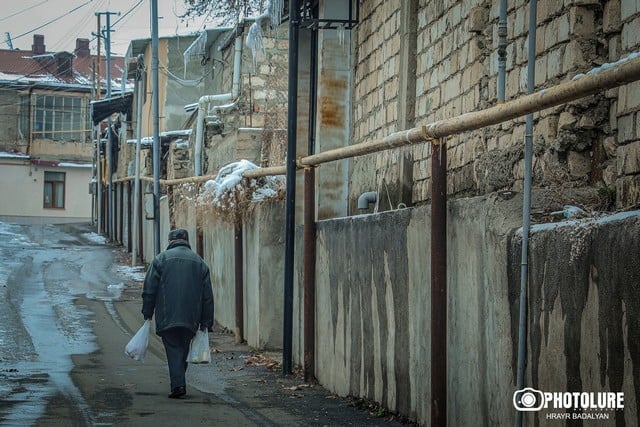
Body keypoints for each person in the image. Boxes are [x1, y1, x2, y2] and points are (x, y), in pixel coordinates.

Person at [141, 228, 214, 399]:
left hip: (167, 315)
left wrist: (147, 311)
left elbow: (149, 289)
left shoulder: (160, 260)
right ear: (187, 241)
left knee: (174, 348)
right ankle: (179, 381)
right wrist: (206, 321)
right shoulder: (199, 262)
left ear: (170, 241)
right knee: (182, 347)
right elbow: (207, 296)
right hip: (191, 317)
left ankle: (178, 385)